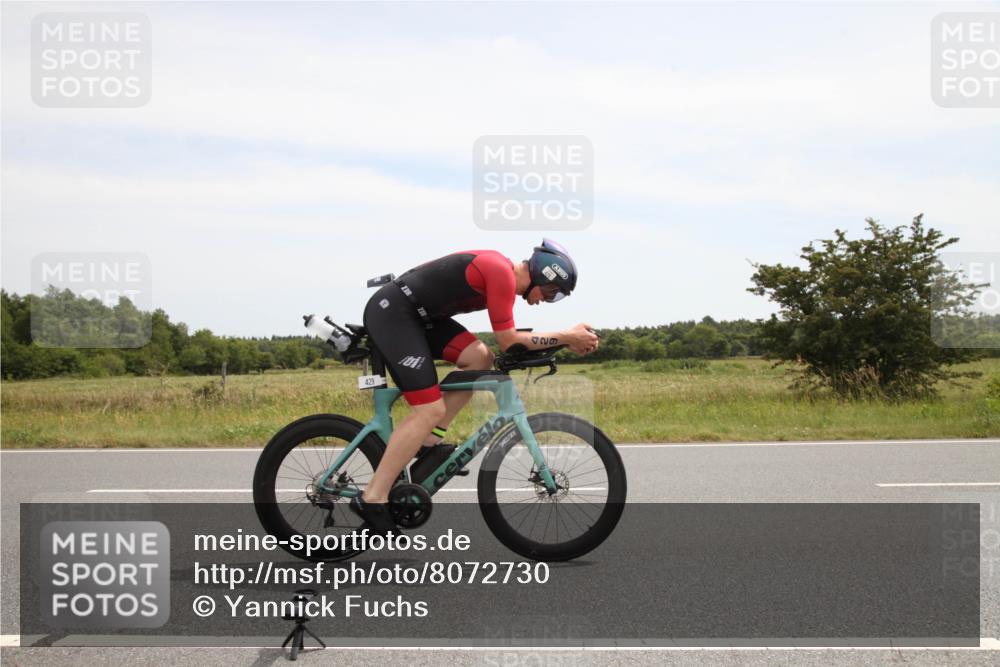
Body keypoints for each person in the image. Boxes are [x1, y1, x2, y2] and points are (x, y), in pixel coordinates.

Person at [349, 239, 599, 533]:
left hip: (420, 318)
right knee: (428, 410)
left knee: (480, 358)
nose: (546, 299)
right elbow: (509, 340)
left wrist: (565, 342)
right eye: (551, 292)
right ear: (543, 275)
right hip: (395, 313)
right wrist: (567, 336)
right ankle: (373, 497)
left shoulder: (503, 275)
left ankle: (426, 442)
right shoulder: (501, 273)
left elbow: (507, 345)